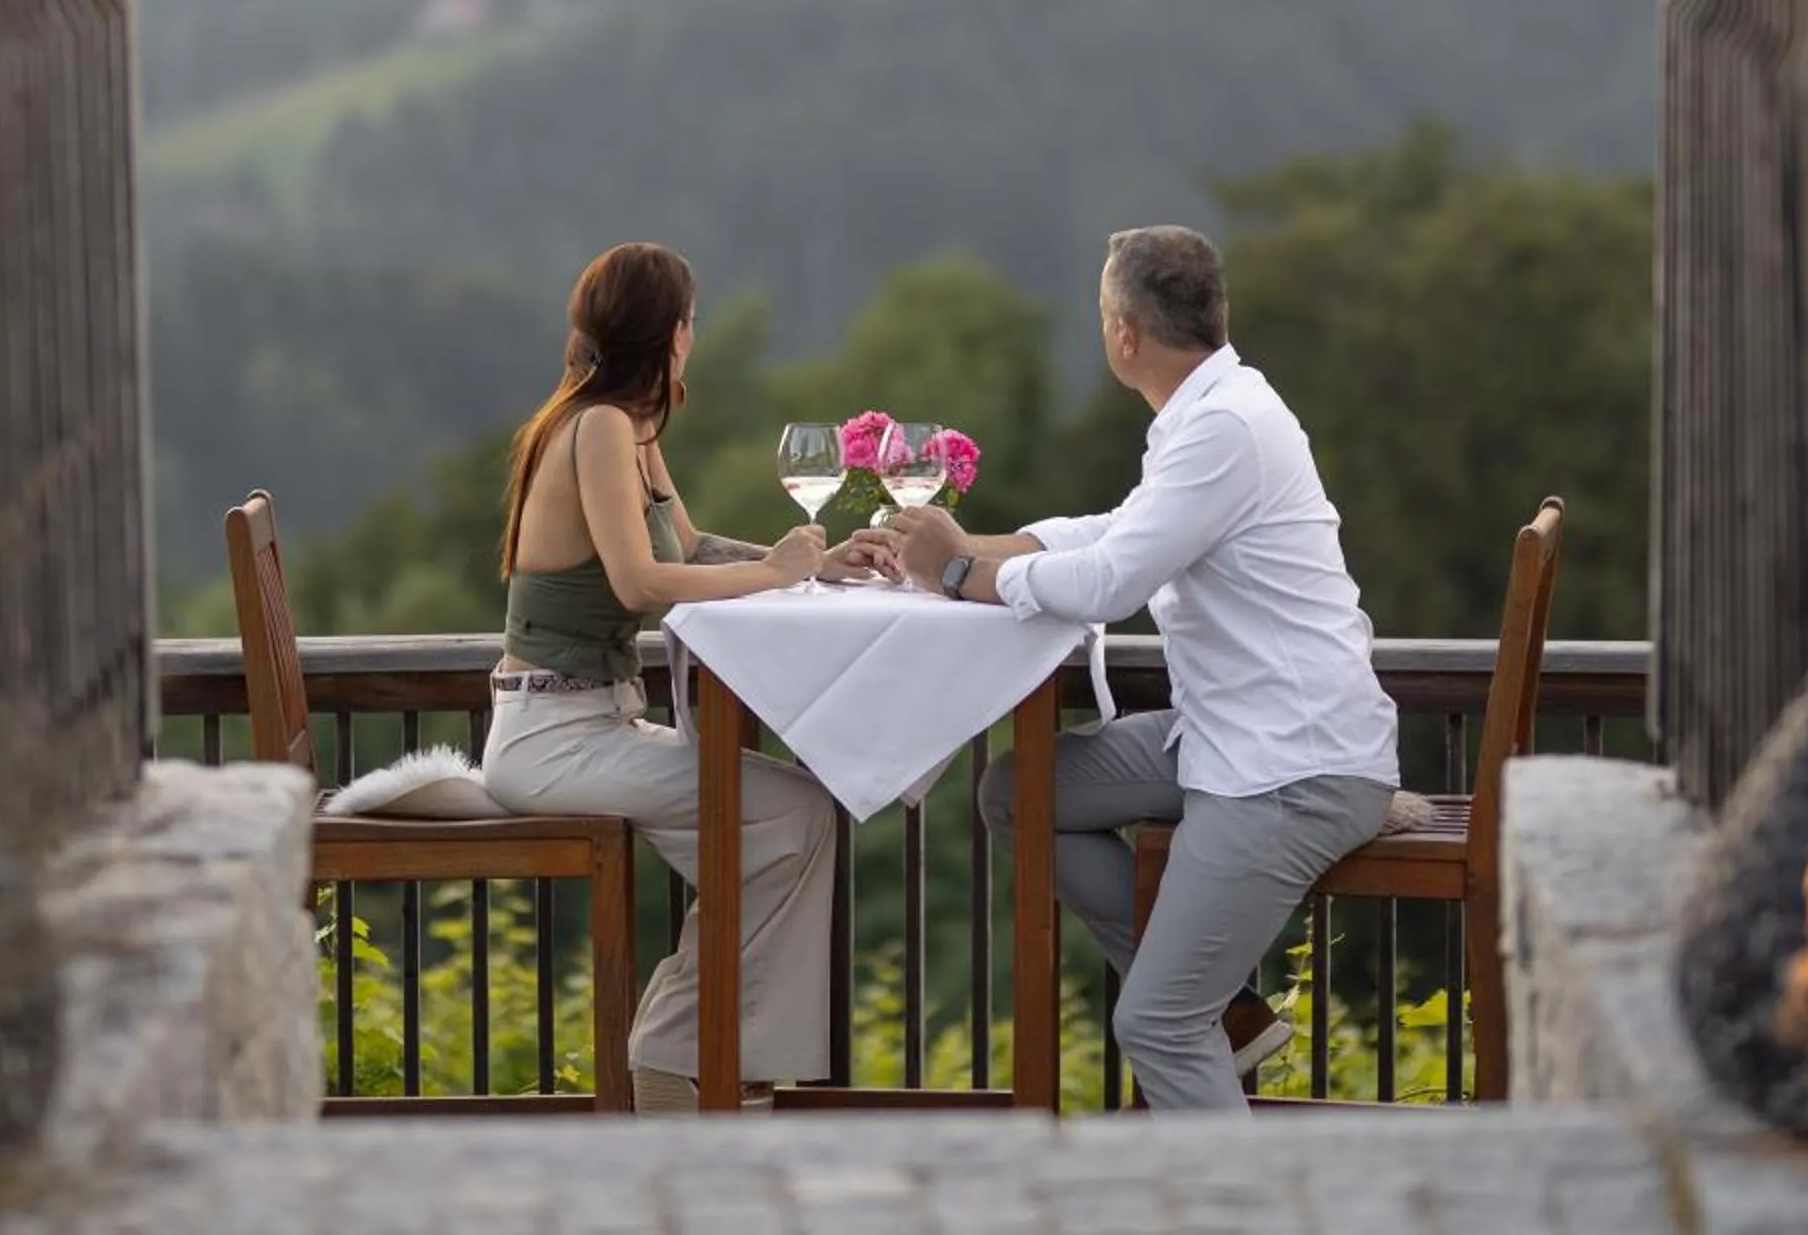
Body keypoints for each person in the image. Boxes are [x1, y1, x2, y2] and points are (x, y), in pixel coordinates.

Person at [881, 224, 1401, 1112]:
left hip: (1289, 767)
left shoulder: (1227, 426)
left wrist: (963, 573)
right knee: (1021, 794)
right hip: (1226, 733)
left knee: (1155, 1022)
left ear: (1123, 333)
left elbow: (1113, 579)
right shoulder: (1210, 412)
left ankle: (1223, 1164)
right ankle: (1227, 1007)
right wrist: (967, 550)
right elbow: (1117, 529)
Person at [479, 240, 871, 1112]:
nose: (695, 333)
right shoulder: (600, 429)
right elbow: (640, 584)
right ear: (673, 333)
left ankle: (718, 1061)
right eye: (691, 318)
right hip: (552, 736)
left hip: (592, 722)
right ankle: (685, 1052)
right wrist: (776, 575)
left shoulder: (628, 427)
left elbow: (689, 550)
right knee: (795, 813)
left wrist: (817, 564)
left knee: (789, 817)